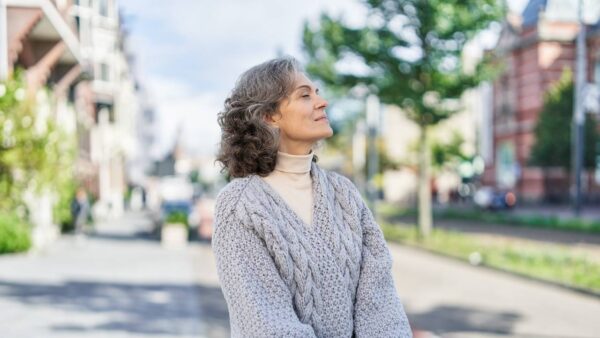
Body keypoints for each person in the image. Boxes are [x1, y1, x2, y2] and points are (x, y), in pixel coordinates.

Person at [212, 57, 412, 337]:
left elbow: (382, 303)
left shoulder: (345, 194)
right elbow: (266, 323)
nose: (322, 102)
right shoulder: (239, 207)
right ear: (269, 116)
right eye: (305, 95)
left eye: (317, 93)